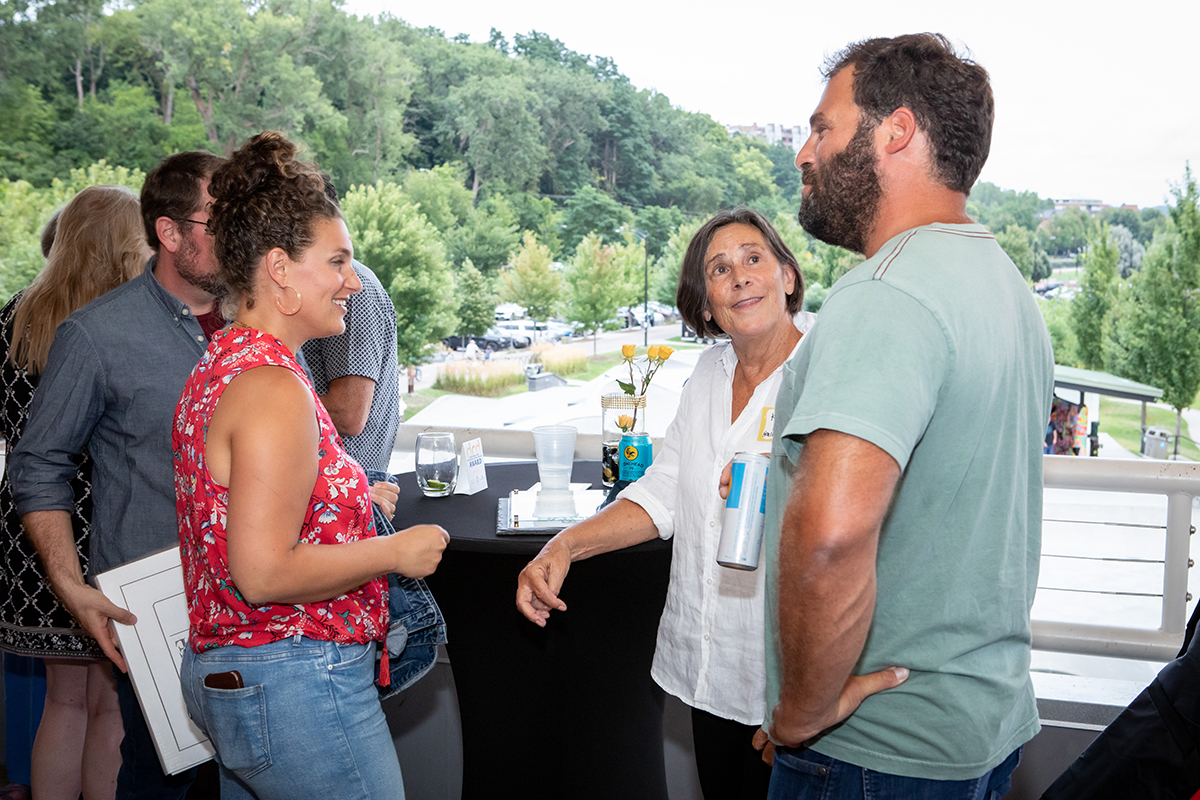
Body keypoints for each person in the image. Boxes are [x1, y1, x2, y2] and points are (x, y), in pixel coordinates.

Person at [756, 33, 1054, 796]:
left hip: (874, 753)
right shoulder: (1004, 286)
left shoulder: (886, 293)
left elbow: (831, 536)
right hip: (978, 730)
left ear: (895, 131)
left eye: (823, 128)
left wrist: (802, 710)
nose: (804, 154)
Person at [174, 130, 448, 799]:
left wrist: (350, 506)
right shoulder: (272, 386)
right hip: (294, 679)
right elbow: (264, 572)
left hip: (244, 674)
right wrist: (395, 552)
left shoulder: (225, 362)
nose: (353, 281)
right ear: (279, 270)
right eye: (337, 261)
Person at [519, 207, 826, 799]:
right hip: (711, 670)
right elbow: (663, 492)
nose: (740, 276)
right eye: (719, 269)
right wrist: (563, 547)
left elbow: (854, 532)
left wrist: (805, 694)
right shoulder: (708, 373)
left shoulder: (826, 372)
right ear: (706, 305)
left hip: (788, 687)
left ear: (787, 276)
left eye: (754, 258)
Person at [10, 150, 227, 799]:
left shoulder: (261, 320)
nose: (238, 234)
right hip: (155, 602)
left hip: (259, 600)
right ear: (169, 232)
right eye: (219, 220)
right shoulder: (97, 334)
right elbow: (38, 462)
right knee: (155, 775)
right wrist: (69, 584)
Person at [0, 186, 149, 800]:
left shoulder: (13, 315)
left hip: (31, 532)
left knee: (61, 702)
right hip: (107, 528)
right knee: (110, 704)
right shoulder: (119, 324)